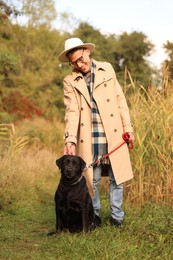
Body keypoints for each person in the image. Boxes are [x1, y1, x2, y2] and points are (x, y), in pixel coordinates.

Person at [58, 37, 134, 228]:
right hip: (90, 138)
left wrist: (128, 128)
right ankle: (94, 218)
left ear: (87, 51)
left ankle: (117, 219)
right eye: (74, 62)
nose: (78, 64)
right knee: (94, 180)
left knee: (118, 179)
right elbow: (72, 112)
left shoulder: (107, 68)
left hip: (114, 134)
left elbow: (120, 100)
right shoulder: (69, 80)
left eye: (80, 59)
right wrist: (71, 139)